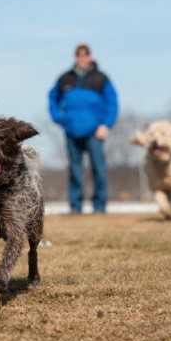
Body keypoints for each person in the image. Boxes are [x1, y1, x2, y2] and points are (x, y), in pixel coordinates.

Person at [48, 43, 119, 214]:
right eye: (79, 55)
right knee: (74, 169)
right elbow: (52, 98)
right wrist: (59, 118)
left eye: (85, 55)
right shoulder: (65, 78)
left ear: (90, 57)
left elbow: (112, 103)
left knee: (98, 168)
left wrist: (106, 125)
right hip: (72, 131)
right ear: (75, 57)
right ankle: (75, 206)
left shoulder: (101, 78)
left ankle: (100, 206)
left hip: (95, 131)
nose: (82, 58)